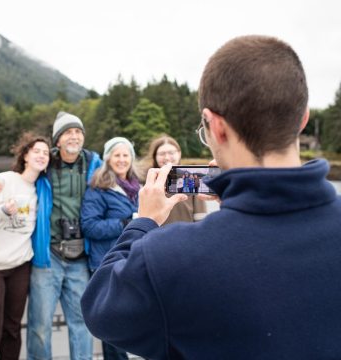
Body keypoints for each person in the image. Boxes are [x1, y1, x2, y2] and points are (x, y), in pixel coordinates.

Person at [81, 35, 341, 359]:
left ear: (217, 128)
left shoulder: (169, 257)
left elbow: (100, 308)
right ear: (302, 119)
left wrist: (142, 222)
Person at [0, 111, 102, 360]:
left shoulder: (95, 164)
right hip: (49, 257)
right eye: (68, 132)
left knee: (82, 325)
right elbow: (16, 178)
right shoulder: (45, 163)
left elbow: (124, 178)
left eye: (78, 131)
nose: (74, 136)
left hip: (81, 257)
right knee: (39, 326)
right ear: (57, 140)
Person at [0, 133, 51, 360]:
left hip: (20, 268)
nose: (42, 156)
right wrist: (3, 211)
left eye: (46, 153)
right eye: (37, 151)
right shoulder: (4, 180)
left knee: (12, 330)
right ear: (25, 155)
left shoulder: (42, 190)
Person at [80, 137, 139, 360]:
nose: (122, 159)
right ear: (108, 159)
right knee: (112, 326)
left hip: (133, 261)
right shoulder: (99, 187)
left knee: (132, 321)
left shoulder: (138, 186)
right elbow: (90, 226)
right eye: (117, 155)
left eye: (126, 155)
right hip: (107, 263)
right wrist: (125, 223)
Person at [140, 134, 207, 224]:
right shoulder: (148, 181)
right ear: (155, 156)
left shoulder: (191, 177)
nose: (167, 157)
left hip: (186, 234)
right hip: (157, 236)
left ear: (179, 153)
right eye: (162, 154)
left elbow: (200, 216)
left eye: (171, 153)